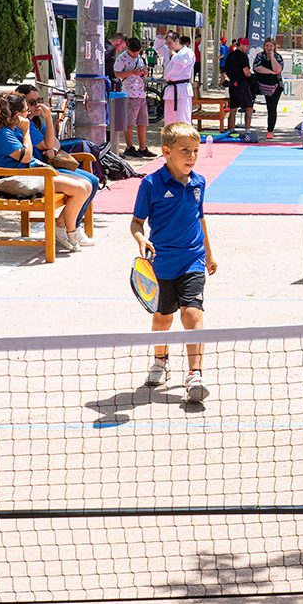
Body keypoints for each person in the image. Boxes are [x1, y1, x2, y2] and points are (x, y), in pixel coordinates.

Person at [130, 121, 217, 404]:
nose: (192, 156)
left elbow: (199, 219)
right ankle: (161, 360)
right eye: (185, 151)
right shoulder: (151, 184)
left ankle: (195, 374)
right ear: (166, 152)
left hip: (192, 258)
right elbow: (136, 223)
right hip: (162, 262)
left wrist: (209, 253)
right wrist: (141, 239)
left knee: (192, 314)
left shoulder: (199, 182)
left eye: (195, 151)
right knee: (162, 318)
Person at [0, 92, 94, 254]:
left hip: (34, 173)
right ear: (17, 115)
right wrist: (26, 131)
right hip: (19, 179)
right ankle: (69, 230)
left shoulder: (9, 129)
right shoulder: (2, 133)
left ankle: (61, 226)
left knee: (86, 184)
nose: (28, 114)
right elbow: (26, 157)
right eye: (25, 111)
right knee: (79, 189)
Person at [111, 37, 153, 158]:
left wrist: (144, 72)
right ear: (128, 48)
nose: (135, 54)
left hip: (141, 93)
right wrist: (131, 72)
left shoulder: (139, 58)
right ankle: (129, 147)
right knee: (129, 122)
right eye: (133, 52)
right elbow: (117, 74)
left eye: (137, 52)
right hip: (129, 94)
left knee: (142, 122)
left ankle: (142, 147)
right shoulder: (122, 58)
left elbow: (144, 71)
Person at [154, 30, 195, 127]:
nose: (168, 45)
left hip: (182, 88)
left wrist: (174, 55)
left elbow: (184, 62)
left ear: (177, 41)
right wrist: (161, 36)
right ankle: (170, 140)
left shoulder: (188, 52)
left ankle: (184, 140)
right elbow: (158, 47)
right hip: (171, 89)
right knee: (169, 119)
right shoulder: (168, 51)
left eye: (170, 43)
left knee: (183, 118)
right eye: (167, 43)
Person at [252, 38, 285, 138]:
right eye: (267, 46)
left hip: (275, 86)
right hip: (260, 84)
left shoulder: (278, 57)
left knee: (272, 108)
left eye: (271, 46)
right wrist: (270, 72)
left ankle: (270, 130)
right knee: (249, 103)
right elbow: (256, 68)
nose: (269, 48)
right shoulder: (259, 56)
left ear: (274, 47)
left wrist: (272, 58)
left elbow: (278, 69)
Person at [222, 38, 254, 131]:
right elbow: (246, 72)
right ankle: (247, 130)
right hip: (241, 83)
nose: (246, 48)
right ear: (240, 45)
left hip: (232, 83)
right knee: (249, 107)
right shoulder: (243, 56)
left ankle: (231, 130)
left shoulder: (230, 55)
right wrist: (252, 77)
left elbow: (225, 70)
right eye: (245, 46)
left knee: (233, 108)